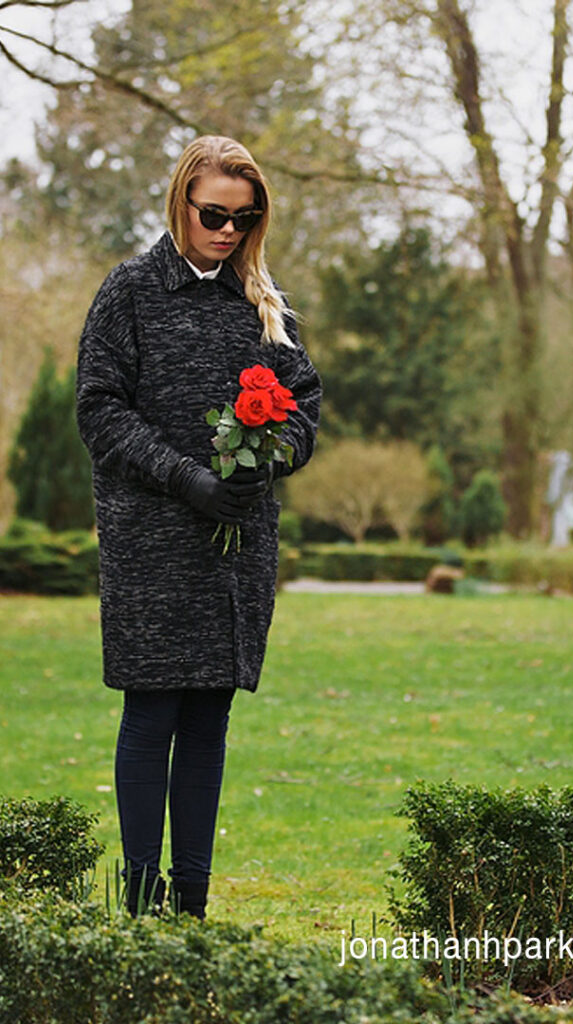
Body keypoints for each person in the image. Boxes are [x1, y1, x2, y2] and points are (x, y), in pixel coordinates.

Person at [76, 135, 321, 920]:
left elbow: (304, 407)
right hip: (150, 540)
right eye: (214, 214)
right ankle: (142, 907)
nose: (228, 232)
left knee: (209, 715)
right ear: (181, 200)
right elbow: (99, 410)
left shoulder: (263, 302)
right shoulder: (130, 292)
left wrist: (267, 460)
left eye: (244, 220)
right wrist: (186, 477)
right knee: (153, 711)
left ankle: (191, 910)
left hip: (234, 546)